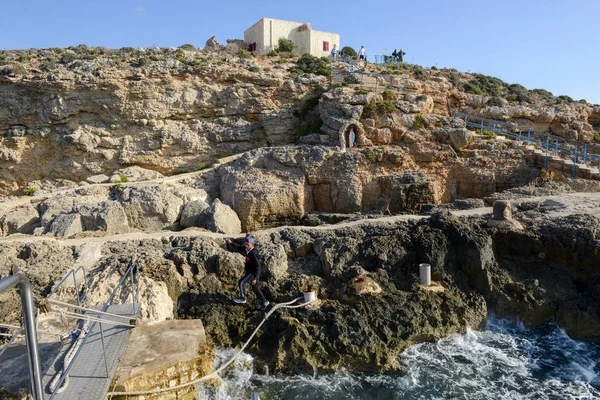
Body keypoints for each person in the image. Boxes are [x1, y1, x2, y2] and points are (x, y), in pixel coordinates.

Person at [224, 236, 270, 311]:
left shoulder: (254, 253)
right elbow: (238, 247)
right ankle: (265, 301)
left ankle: (243, 298)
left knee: (241, 282)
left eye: (247, 244)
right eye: (245, 244)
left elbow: (258, 266)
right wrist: (230, 242)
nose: (246, 245)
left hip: (253, 273)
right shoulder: (246, 249)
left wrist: (255, 278)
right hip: (250, 272)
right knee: (255, 288)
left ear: (252, 244)